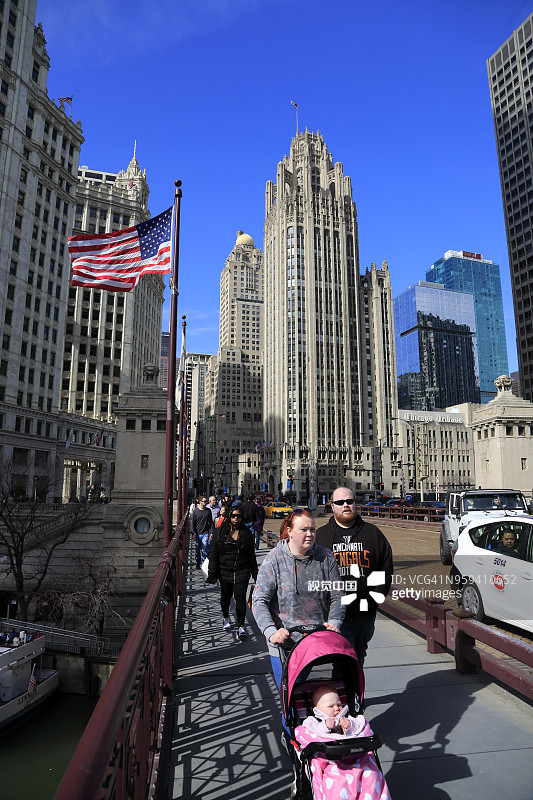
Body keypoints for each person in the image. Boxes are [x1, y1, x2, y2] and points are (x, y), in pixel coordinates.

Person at [252, 509, 344, 753]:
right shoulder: (274, 559)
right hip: (285, 642)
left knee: (322, 693)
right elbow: (259, 600)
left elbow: (337, 596)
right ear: (289, 531)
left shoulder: (326, 558)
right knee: (290, 698)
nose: (310, 534)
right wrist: (271, 631)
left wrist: (335, 620)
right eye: (303, 529)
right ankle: (293, 739)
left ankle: (328, 735)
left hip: (319, 640)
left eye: (312, 529)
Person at [316, 486, 393, 667]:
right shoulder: (321, 537)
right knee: (341, 659)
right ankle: (345, 694)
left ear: (355, 504)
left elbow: (386, 567)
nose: (346, 505)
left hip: (364, 613)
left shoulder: (372, 533)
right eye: (340, 502)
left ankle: (354, 694)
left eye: (350, 501)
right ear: (332, 506)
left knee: (358, 657)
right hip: (334, 615)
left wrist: (376, 598)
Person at [207, 507, 258, 639]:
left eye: (239, 516)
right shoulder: (220, 532)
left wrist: (255, 574)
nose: (236, 519)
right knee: (225, 597)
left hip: (242, 570)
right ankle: (225, 618)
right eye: (234, 516)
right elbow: (213, 553)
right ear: (229, 517)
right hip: (225, 571)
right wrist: (212, 571)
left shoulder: (246, 533)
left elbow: (251, 555)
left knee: (240, 599)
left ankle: (241, 627)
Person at [191, 496, 214, 569]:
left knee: (205, 549)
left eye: (206, 501)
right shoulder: (195, 512)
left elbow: (211, 522)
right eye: (204, 501)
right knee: (197, 550)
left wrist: (211, 532)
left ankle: (204, 563)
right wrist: (193, 533)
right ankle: (198, 563)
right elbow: (192, 523)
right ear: (200, 502)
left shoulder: (208, 511)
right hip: (197, 533)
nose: (206, 502)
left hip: (205, 533)